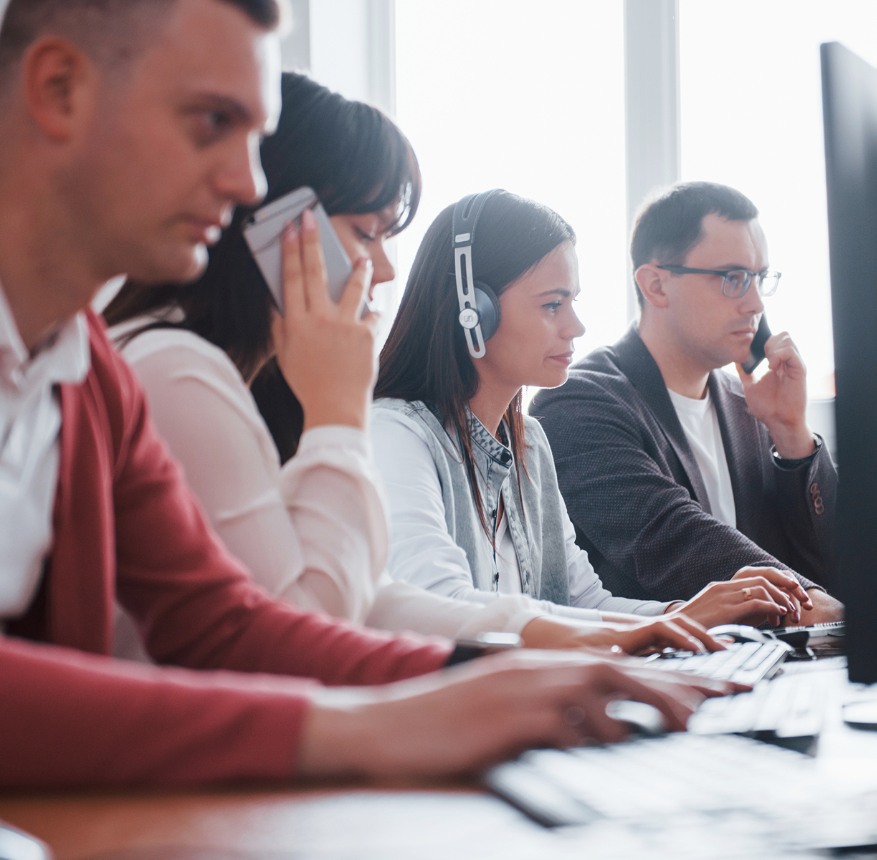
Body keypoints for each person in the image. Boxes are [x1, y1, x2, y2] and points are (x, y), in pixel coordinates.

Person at [0, 0, 730, 789]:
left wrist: (482, 672)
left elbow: (225, 628)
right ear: (60, 88)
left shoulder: (92, 375)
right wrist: (381, 719)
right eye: (212, 119)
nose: (247, 180)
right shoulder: (164, 368)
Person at [105, 72, 727, 656]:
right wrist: (338, 413)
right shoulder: (181, 371)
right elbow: (310, 624)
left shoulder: (242, 389)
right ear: (271, 228)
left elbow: (371, 599)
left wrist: (649, 628)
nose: (383, 269)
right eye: (365, 232)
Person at [372, 189, 809, 635]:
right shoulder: (396, 435)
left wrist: (681, 615)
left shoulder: (530, 444)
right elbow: (442, 607)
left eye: (572, 302)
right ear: (473, 311)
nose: (575, 326)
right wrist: (656, 626)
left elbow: (583, 600)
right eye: (551, 305)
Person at [531, 182, 843, 623]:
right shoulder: (577, 403)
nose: (754, 303)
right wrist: (840, 616)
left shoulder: (749, 405)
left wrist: (792, 433)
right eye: (733, 278)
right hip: (657, 676)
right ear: (656, 285)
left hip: (769, 669)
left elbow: (839, 564)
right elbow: (673, 540)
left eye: (759, 278)